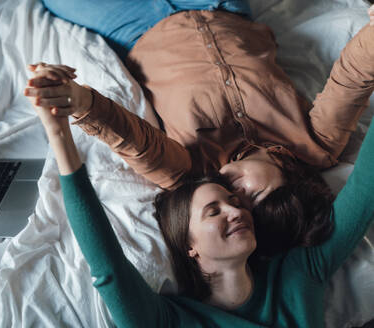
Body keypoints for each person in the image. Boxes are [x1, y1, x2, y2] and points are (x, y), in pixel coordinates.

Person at [25, 59, 374, 326]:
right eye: (215, 211)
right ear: (189, 246)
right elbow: (109, 267)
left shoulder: (300, 272)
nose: (236, 212)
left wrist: (60, 130)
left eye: (234, 203)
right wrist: (57, 130)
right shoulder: (170, 319)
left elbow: (365, 185)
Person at [32, 1, 374, 255]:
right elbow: (352, 78)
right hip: (222, 8)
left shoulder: (195, 177)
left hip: (136, 27)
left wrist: (77, 100)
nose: (234, 198)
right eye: (252, 196)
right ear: (289, 175)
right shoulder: (316, 144)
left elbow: (138, 144)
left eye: (238, 207)